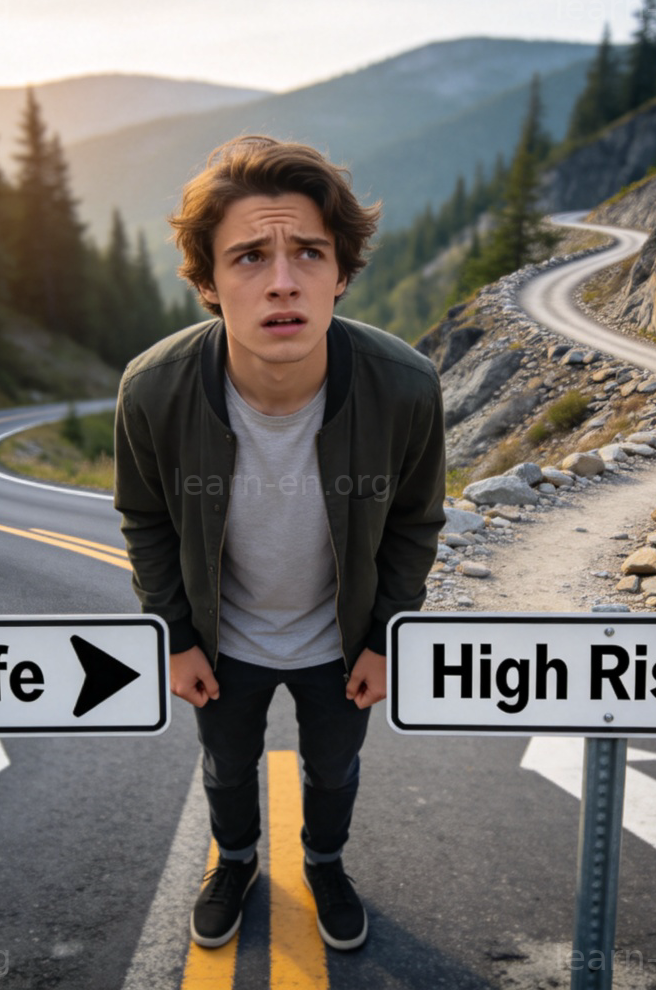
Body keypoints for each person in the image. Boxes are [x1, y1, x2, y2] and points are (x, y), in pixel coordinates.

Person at [113, 135, 446, 951]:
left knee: (333, 770)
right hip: (225, 642)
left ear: (342, 272)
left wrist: (387, 637)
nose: (284, 282)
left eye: (308, 253)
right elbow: (146, 518)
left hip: (343, 641)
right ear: (207, 283)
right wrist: (175, 636)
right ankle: (235, 860)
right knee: (227, 769)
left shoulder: (404, 387)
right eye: (250, 257)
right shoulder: (154, 390)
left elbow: (414, 520)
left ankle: (325, 863)